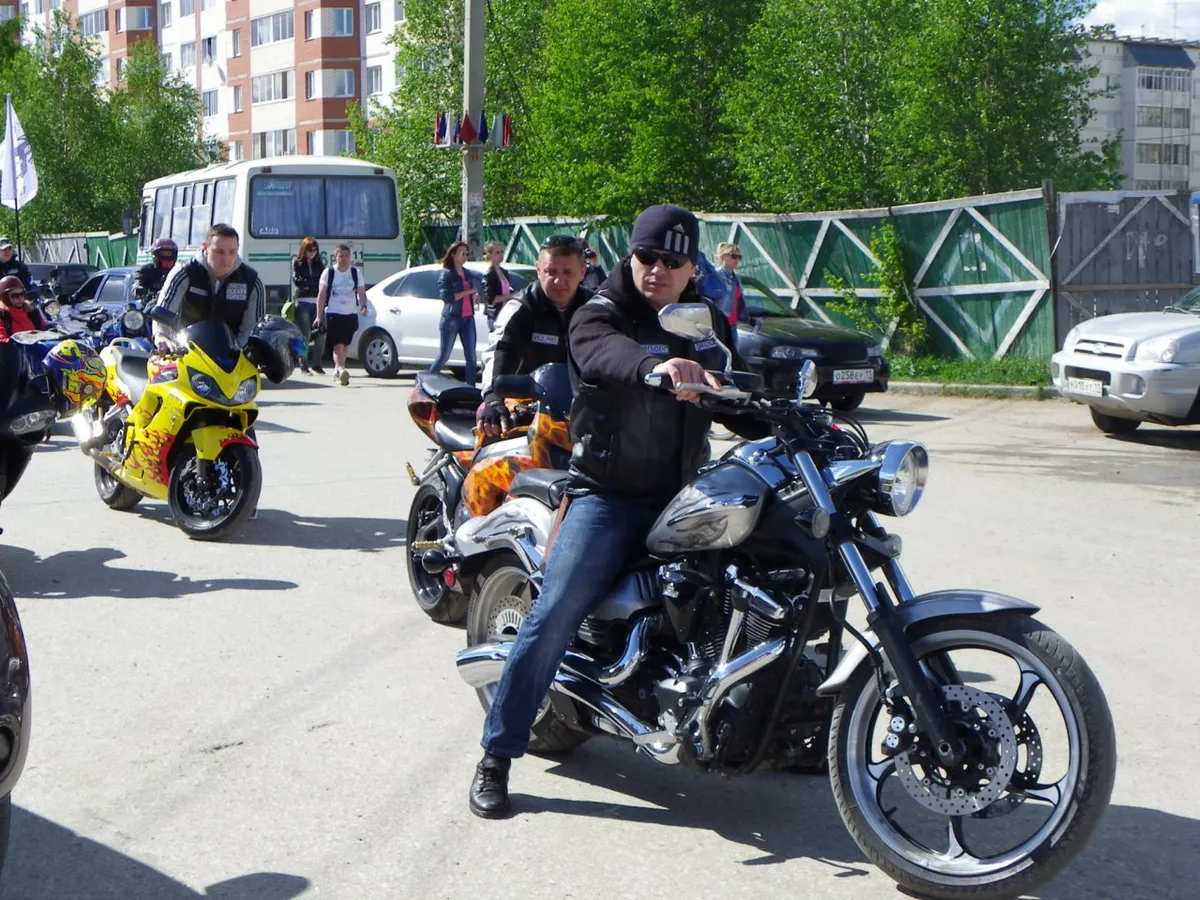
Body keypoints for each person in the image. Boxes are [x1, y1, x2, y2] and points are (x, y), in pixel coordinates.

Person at [468, 204, 767, 818]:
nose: (658, 269)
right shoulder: (598, 311)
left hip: (684, 491)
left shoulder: (704, 320)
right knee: (555, 611)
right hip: (608, 493)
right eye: (647, 257)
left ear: (691, 267)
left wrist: (783, 411)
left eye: (672, 261)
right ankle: (497, 754)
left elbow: (729, 390)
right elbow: (606, 355)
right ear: (631, 256)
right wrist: (658, 367)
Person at [477, 235, 593, 436]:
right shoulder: (520, 307)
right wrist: (493, 400)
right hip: (523, 406)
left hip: (578, 408)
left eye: (568, 272)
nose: (559, 281)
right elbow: (499, 351)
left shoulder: (594, 308)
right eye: (551, 272)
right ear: (538, 269)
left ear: (582, 272)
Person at [150, 223, 266, 353]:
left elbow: (252, 330)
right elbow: (164, 308)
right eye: (219, 252)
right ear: (205, 248)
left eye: (232, 252)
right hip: (186, 351)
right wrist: (161, 336)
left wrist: (239, 354)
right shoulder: (184, 272)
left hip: (232, 356)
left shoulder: (252, 281)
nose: (226, 258)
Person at [315, 244, 368, 386]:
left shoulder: (356, 273)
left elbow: (362, 292)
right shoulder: (329, 273)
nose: (343, 259)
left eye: (346, 256)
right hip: (333, 313)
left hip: (351, 313)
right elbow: (321, 295)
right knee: (338, 344)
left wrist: (364, 306)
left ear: (350, 257)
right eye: (341, 256)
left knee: (345, 345)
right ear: (336, 257)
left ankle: (337, 370)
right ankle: (342, 368)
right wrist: (319, 316)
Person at [429, 241, 479, 385]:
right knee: (444, 356)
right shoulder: (447, 274)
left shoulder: (467, 273)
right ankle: (426, 383)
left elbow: (472, 291)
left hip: (468, 318)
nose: (465, 256)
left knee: (471, 358)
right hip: (451, 319)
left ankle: (471, 389)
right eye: (462, 253)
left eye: (466, 254)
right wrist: (468, 292)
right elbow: (447, 298)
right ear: (453, 255)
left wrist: (474, 296)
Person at [292, 237, 326, 375]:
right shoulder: (297, 264)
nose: (312, 253)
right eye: (309, 250)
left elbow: (323, 283)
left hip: (317, 302)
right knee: (304, 335)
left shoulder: (320, 265)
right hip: (302, 302)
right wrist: (313, 283)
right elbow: (298, 282)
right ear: (304, 250)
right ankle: (303, 365)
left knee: (321, 334)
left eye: (314, 250)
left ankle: (317, 364)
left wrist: (308, 283)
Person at [714, 242, 747, 351]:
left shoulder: (735, 278)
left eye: (739, 257)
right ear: (723, 257)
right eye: (733, 256)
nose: (736, 259)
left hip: (732, 324)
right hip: (720, 325)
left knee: (733, 356)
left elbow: (738, 301)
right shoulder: (716, 275)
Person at [0, 274, 47, 341]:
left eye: (22, 294)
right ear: (5, 298)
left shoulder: (31, 311)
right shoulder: (2, 316)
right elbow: (2, 342)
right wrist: (20, 342)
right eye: (15, 296)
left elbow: (45, 330)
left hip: (38, 346)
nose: (21, 298)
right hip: (15, 348)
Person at [482, 241, 515, 332]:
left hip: (506, 313)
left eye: (502, 252)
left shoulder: (504, 272)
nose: (501, 255)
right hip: (495, 315)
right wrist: (511, 296)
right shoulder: (489, 274)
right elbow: (491, 299)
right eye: (497, 252)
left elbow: (507, 290)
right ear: (490, 255)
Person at [135, 238, 179, 304]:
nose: (166, 256)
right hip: (151, 305)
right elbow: (136, 285)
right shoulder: (146, 270)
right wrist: (141, 290)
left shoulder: (178, 272)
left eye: (169, 253)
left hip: (174, 305)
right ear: (155, 254)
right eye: (163, 253)